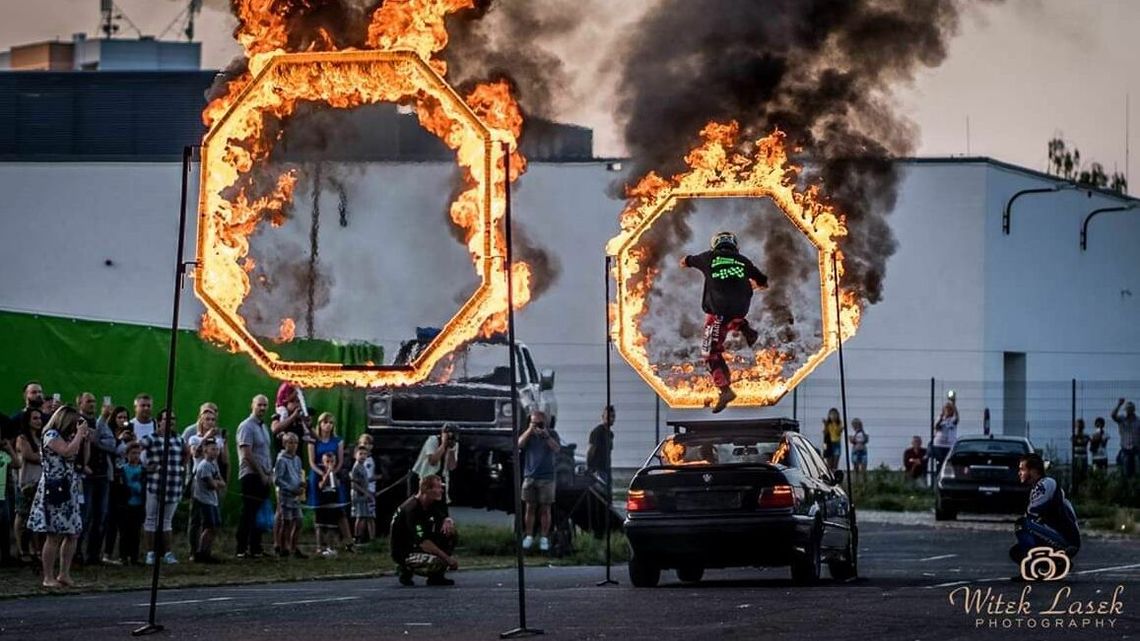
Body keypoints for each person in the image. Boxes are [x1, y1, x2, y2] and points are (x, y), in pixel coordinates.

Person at [679, 231, 768, 413]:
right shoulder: (744, 261)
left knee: (709, 352)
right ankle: (743, 326)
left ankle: (725, 390)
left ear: (715, 245)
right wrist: (754, 285)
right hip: (740, 308)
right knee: (731, 315)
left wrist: (686, 262)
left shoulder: (708, 257)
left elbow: (685, 261)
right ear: (735, 246)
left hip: (718, 312)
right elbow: (764, 281)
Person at [27, 406, 89, 588]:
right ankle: (48, 576)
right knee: (54, 535)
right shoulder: (51, 435)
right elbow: (67, 451)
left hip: (70, 488)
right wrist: (78, 435)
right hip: (54, 488)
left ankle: (64, 574)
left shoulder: (69, 437)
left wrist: (85, 441)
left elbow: (82, 460)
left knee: (73, 533)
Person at [1009, 453, 1080, 568]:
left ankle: (1031, 566)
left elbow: (1032, 512)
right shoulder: (1038, 487)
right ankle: (1054, 565)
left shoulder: (1046, 484)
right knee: (1016, 551)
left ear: (1033, 471)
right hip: (1056, 535)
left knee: (1022, 524)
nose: (1019, 473)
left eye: (1023, 469)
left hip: (1066, 539)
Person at [389, 474, 458, 587]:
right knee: (437, 562)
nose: (441, 490)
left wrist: (448, 520)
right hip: (405, 550)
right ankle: (405, 569)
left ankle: (437, 577)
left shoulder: (433, 502)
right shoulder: (412, 509)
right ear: (426, 490)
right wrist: (447, 559)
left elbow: (444, 515)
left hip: (417, 543)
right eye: (438, 487)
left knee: (450, 533)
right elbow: (423, 541)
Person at [140, 409, 188, 566]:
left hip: (173, 486)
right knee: (151, 519)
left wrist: (182, 467)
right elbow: (136, 448)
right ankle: (150, 553)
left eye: (173, 419)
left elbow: (185, 454)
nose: (170, 422)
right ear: (159, 421)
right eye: (167, 419)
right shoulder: (151, 439)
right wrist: (145, 466)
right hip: (155, 485)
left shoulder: (178, 439)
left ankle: (167, 553)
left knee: (167, 521)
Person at [182, 403, 227, 560]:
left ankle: (205, 551)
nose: (210, 422)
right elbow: (195, 453)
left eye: (213, 419)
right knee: (195, 519)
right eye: (207, 419)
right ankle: (194, 551)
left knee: (212, 521)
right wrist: (206, 436)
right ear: (201, 420)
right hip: (198, 481)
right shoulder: (194, 437)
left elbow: (222, 460)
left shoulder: (218, 440)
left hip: (213, 477)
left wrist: (223, 443)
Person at [307, 412, 352, 550]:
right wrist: (322, 473)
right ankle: (320, 545)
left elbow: (340, 460)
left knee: (339, 509)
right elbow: (312, 461)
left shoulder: (337, 441)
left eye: (331, 423)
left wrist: (333, 471)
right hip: (318, 475)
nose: (328, 425)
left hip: (333, 474)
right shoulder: (313, 440)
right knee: (319, 510)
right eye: (325, 422)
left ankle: (349, 541)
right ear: (320, 424)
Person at [80, 394, 116, 565]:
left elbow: (111, 444)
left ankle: (93, 555)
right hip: (85, 476)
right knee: (84, 516)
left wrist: (97, 438)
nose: (92, 404)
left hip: (102, 476)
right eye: (88, 401)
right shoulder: (79, 421)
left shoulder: (101, 423)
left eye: (94, 401)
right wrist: (103, 419)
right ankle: (76, 553)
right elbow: (93, 439)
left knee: (100, 516)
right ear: (79, 403)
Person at [236, 394, 272, 559]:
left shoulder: (263, 427)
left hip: (264, 475)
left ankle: (256, 547)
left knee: (259, 513)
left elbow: (265, 453)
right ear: (252, 405)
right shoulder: (246, 426)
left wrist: (269, 473)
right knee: (248, 512)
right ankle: (241, 548)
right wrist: (260, 473)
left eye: (265, 405)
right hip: (251, 475)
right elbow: (247, 454)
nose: (262, 408)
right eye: (259, 405)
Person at [518, 410, 560, 552]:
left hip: (547, 477)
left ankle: (544, 537)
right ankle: (529, 536)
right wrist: (530, 429)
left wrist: (546, 436)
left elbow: (557, 448)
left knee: (545, 509)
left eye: (539, 422)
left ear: (545, 422)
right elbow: (519, 444)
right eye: (534, 422)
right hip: (530, 476)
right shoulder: (528, 435)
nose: (537, 425)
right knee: (530, 507)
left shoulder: (552, 434)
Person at [100, 405, 131, 565]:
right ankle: (107, 553)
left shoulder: (130, 435)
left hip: (125, 479)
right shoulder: (109, 435)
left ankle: (123, 554)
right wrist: (121, 440)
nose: (123, 421)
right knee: (111, 518)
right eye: (120, 418)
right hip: (112, 479)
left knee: (124, 519)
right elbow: (113, 449)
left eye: (126, 418)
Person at [14, 408, 44, 563]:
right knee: (22, 516)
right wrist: (45, 456)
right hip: (27, 482)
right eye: (35, 418)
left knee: (36, 518)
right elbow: (29, 456)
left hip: (40, 482)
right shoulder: (22, 438)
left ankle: (35, 549)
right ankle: (21, 549)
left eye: (40, 418)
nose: (39, 421)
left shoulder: (40, 438)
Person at [191, 439, 225, 563]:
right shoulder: (204, 465)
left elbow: (222, 482)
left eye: (217, 449)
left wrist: (217, 482)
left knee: (214, 527)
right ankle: (201, 552)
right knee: (209, 527)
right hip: (205, 500)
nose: (215, 452)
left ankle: (207, 552)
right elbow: (213, 485)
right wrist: (217, 483)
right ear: (205, 450)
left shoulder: (213, 465)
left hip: (213, 500)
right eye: (213, 449)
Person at [273, 432, 305, 558]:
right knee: (286, 522)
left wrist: (301, 483)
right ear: (285, 444)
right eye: (290, 442)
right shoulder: (281, 460)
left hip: (296, 496)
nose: (294, 445)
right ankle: (283, 547)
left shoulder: (297, 459)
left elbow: (298, 474)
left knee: (299, 521)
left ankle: (293, 546)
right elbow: (278, 479)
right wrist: (291, 488)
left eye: (296, 442)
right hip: (286, 496)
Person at [410, 423, 458, 505]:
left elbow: (451, 467)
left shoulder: (454, 444)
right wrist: (443, 444)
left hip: (440, 478)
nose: (450, 437)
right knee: (422, 503)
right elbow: (432, 461)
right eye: (448, 433)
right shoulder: (433, 440)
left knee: (440, 508)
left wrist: (451, 450)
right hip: (425, 476)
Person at [117, 442, 146, 565]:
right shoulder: (122, 470)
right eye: (133, 453)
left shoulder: (143, 470)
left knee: (136, 532)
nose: (136, 456)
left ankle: (134, 556)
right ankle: (123, 556)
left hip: (138, 504)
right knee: (125, 532)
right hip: (126, 504)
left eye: (138, 453)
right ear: (127, 454)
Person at [315, 451, 344, 557]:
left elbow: (337, 486)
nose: (330, 464)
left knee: (332, 526)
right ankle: (319, 547)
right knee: (320, 526)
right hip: (322, 502)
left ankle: (330, 547)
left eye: (332, 461)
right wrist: (327, 473)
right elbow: (321, 486)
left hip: (333, 502)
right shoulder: (319, 473)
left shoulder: (337, 473)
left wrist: (333, 474)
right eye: (327, 461)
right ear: (323, 462)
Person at [0, 428, 22, 566]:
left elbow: (17, 464)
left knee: (5, 523)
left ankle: (6, 555)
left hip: (4, 492)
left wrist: (9, 448)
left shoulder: (4, 452)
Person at [272, 383, 313, 453]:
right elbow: (275, 429)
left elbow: (315, 437)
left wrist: (309, 426)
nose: (296, 405)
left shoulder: (300, 418)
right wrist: (293, 416)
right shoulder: (278, 415)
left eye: (298, 402)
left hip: (297, 458)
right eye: (292, 402)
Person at [350, 446, 375, 545]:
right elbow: (353, 484)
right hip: (358, 495)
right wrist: (365, 493)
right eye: (360, 454)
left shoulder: (362, 466)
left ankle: (360, 537)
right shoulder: (356, 468)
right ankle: (356, 538)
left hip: (364, 494)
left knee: (364, 517)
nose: (363, 456)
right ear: (355, 455)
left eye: (365, 454)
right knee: (360, 517)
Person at [1110, 399, 1139, 478]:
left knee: (1137, 473)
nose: (1128, 411)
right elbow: (1113, 415)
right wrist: (1119, 405)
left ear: (1133, 410)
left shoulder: (1138, 421)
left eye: (1130, 409)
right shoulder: (1122, 419)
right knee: (1126, 473)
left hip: (1136, 450)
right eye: (1127, 409)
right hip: (1126, 450)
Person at [586, 406, 615, 483]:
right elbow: (591, 450)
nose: (611, 419)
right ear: (603, 417)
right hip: (598, 470)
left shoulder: (610, 434)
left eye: (613, 416)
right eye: (609, 417)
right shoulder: (598, 432)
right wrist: (590, 468)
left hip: (607, 469)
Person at [931, 401, 959, 474]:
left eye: (949, 410)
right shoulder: (939, 418)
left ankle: (947, 476)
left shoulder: (953, 419)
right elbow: (936, 427)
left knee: (948, 462)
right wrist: (941, 418)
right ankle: (938, 476)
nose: (948, 411)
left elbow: (957, 419)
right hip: (939, 444)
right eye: (946, 410)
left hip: (949, 445)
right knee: (939, 462)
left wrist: (954, 405)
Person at [1072, 419, 1090, 484]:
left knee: (1084, 473)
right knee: (1076, 473)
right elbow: (1075, 442)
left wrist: (1080, 442)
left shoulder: (1086, 436)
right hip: (1076, 456)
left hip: (1083, 456)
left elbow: (1085, 442)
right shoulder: (1074, 436)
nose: (1079, 426)